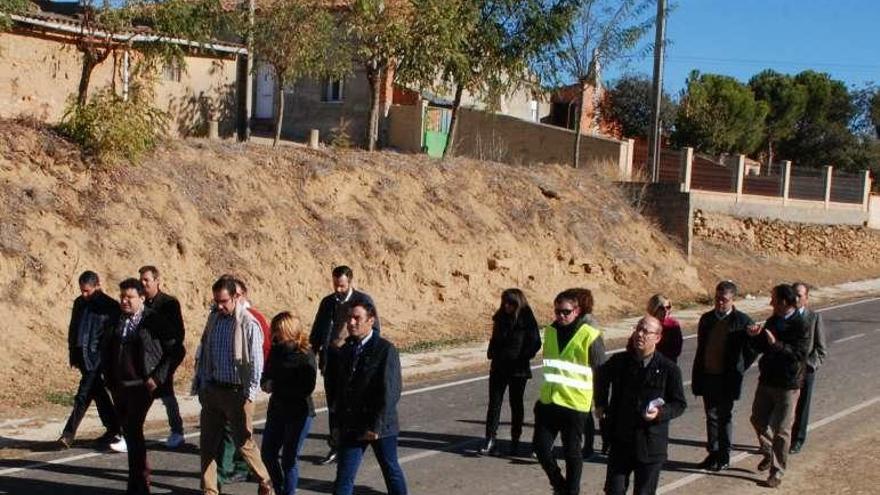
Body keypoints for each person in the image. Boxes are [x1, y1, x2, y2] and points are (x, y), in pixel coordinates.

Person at [192, 277, 274, 495]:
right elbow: (205, 352)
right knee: (208, 444)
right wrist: (202, 383)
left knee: (244, 443)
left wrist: (249, 394)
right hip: (214, 390)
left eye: (224, 301)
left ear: (236, 297)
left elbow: (257, 362)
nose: (220, 306)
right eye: (217, 301)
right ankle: (210, 490)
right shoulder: (214, 320)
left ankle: (266, 482)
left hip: (238, 393)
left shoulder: (249, 323)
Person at [595, 316, 687, 495]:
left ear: (658, 338)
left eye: (646, 331)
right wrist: (601, 404)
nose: (640, 334)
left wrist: (659, 413)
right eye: (638, 329)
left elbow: (679, 404)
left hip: (650, 444)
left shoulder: (669, 369)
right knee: (614, 490)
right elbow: (601, 377)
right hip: (621, 440)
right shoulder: (620, 361)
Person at [103, 278, 175, 495]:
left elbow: (175, 351)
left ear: (142, 298)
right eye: (122, 297)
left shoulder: (154, 320)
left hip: (141, 386)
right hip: (119, 386)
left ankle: (139, 484)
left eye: (130, 297)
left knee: (133, 430)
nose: (124, 301)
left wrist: (157, 377)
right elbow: (107, 347)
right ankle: (136, 482)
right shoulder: (116, 319)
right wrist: (107, 377)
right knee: (130, 433)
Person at [327, 300, 406, 495]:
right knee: (344, 476)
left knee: (390, 468)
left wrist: (376, 426)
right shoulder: (345, 350)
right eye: (349, 318)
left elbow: (391, 391)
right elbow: (340, 392)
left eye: (357, 318)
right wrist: (336, 425)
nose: (351, 323)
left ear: (371, 321)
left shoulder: (385, 349)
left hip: (379, 425)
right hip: (353, 424)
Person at [533, 289, 605, 495]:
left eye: (565, 312)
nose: (561, 316)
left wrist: (600, 403)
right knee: (541, 448)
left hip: (574, 404)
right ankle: (559, 485)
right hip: (549, 401)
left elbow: (601, 371)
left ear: (577, 311)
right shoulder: (550, 331)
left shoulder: (590, 335)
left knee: (572, 453)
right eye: (557, 312)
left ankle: (572, 491)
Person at [309, 265, 380, 465]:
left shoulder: (363, 302)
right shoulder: (328, 302)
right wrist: (312, 354)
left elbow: (375, 331)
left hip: (353, 360)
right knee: (334, 404)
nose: (338, 289)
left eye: (341, 285)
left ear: (350, 282)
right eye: (335, 285)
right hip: (331, 360)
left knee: (352, 403)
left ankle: (354, 444)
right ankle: (335, 445)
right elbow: (318, 329)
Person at [747, 284, 810, 488]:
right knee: (757, 419)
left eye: (773, 299)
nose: (770, 302)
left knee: (782, 430)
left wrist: (776, 345)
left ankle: (777, 472)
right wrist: (755, 336)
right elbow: (763, 347)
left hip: (788, 385)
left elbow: (799, 355)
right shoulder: (773, 320)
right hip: (767, 381)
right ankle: (767, 451)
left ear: (784, 302)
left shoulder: (801, 325)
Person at [691, 280, 757, 472]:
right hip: (708, 375)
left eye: (724, 300)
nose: (720, 303)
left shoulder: (742, 321)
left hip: (727, 378)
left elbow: (752, 349)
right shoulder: (706, 319)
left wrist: (740, 366)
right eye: (718, 299)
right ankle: (713, 453)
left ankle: (724, 456)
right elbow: (701, 348)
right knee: (710, 416)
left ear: (732, 299)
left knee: (724, 417)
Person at [216, 275, 272, 485]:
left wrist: (252, 387)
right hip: (222, 385)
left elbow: (263, 351)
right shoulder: (219, 318)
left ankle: (257, 477)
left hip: (242, 387)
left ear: (241, 295)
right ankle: (236, 470)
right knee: (234, 433)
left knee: (239, 435)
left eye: (236, 295)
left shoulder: (252, 319)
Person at [59, 270, 123, 450]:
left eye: (87, 290)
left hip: (97, 360)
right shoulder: (79, 303)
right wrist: (73, 353)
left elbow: (110, 337)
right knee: (98, 395)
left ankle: (68, 434)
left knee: (83, 396)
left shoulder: (109, 306)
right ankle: (114, 428)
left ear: (97, 286)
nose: (84, 294)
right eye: (82, 290)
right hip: (82, 357)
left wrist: (105, 361)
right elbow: (74, 330)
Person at [260, 312, 317, 495]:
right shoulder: (276, 351)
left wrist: (276, 384)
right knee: (268, 454)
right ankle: (279, 488)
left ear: (288, 330)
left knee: (289, 459)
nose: (274, 334)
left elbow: (306, 387)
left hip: (299, 412)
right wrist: (266, 383)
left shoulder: (305, 354)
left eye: (278, 330)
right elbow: (266, 374)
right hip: (277, 409)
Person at [479, 288, 541, 456]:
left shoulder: (527, 318)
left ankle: (515, 439)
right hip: (499, 366)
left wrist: (522, 357)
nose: (507, 306)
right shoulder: (500, 317)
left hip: (518, 369)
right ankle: (490, 439)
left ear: (518, 303)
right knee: (494, 404)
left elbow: (535, 342)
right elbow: (494, 338)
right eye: (504, 302)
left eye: (511, 303)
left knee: (516, 404)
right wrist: (492, 353)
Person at [138, 265, 187, 449]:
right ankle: (131, 433)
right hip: (145, 359)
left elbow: (177, 335)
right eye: (141, 280)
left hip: (165, 357)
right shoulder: (140, 303)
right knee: (141, 397)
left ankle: (177, 431)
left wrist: (163, 368)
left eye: (146, 280)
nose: (143, 283)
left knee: (166, 394)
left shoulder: (168, 304)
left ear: (157, 281)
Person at [789, 282, 828, 454]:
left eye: (799, 295)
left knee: (802, 406)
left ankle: (798, 439)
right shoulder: (784, 316)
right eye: (794, 295)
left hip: (805, 371)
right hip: (786, 370)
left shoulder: (814, 318)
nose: (796, 298)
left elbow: (821, 349)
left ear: (806, 298)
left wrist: (810, 366)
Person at [571, 287, 605, 459]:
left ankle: (591, 446)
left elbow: (597, 359)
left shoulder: (589, 326)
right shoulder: (576, 323)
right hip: (578, 377)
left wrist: (598, 381)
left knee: (591, 411)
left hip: (590, 376)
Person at [646, 294, 683, 363]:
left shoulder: (673, 325)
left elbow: (677, 349)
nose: (666, 310)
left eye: (668, 307)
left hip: (667, 364)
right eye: (662, 308)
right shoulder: (645, 324)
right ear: (654, 308)